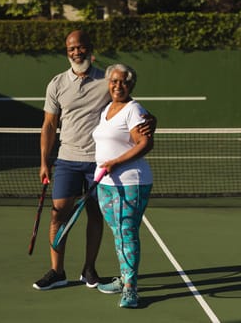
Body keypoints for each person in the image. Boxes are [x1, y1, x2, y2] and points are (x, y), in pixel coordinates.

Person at [34, 30, 155, 291]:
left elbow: (129, 103)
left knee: (95, 217)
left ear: (90, 49)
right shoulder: (56, 84)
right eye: (71, 49)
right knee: (58, 216)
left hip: (99, 164)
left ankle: (89, 269)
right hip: (66, 160)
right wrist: (45, 161)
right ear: (67, 52)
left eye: (80, 47)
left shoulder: (106, 79)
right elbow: (48, 125)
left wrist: (151, 120)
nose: (76, 52)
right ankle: (57, 271)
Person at [92, 64, 154, 308]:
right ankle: (124, 278)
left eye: (124, 82)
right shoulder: (107, 108)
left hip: (131, 182)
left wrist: (117, 161)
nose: (118, 86)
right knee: (118, 233)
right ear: (109, 83)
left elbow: (145, 143)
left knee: (127, 233)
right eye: (114, 81)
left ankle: (130, 289)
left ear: (131, 86)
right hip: (105, 183)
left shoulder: (134, 109)